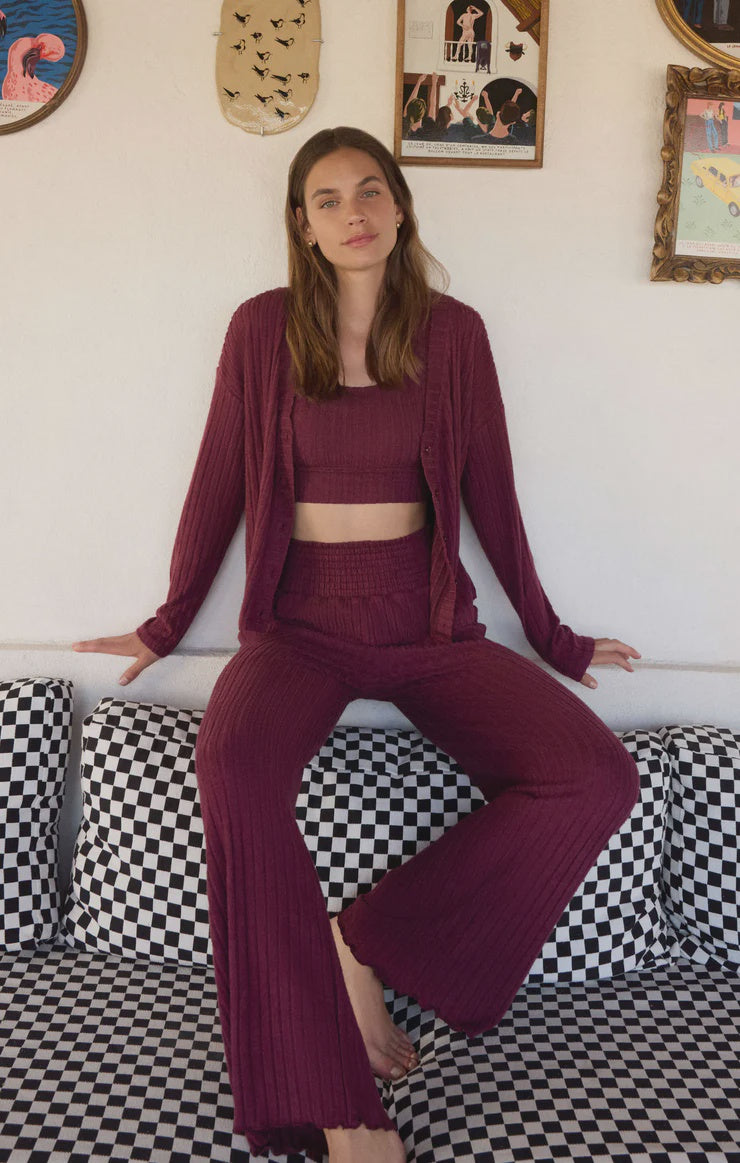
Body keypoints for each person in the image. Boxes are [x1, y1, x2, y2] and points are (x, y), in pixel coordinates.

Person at [70, 126, 642, 1163]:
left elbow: (493, 494)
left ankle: (365, 938)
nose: (353, 214)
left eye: (369, 190)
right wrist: (167, 621)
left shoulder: (454, 335)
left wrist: (553, 637)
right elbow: (218, 481)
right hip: (298, 628)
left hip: (425, 623)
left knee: (595, 774)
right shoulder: (261, 329)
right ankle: (338, 1111)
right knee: (232, 765)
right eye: (327, 200)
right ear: (301, 225)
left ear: (400, 205)